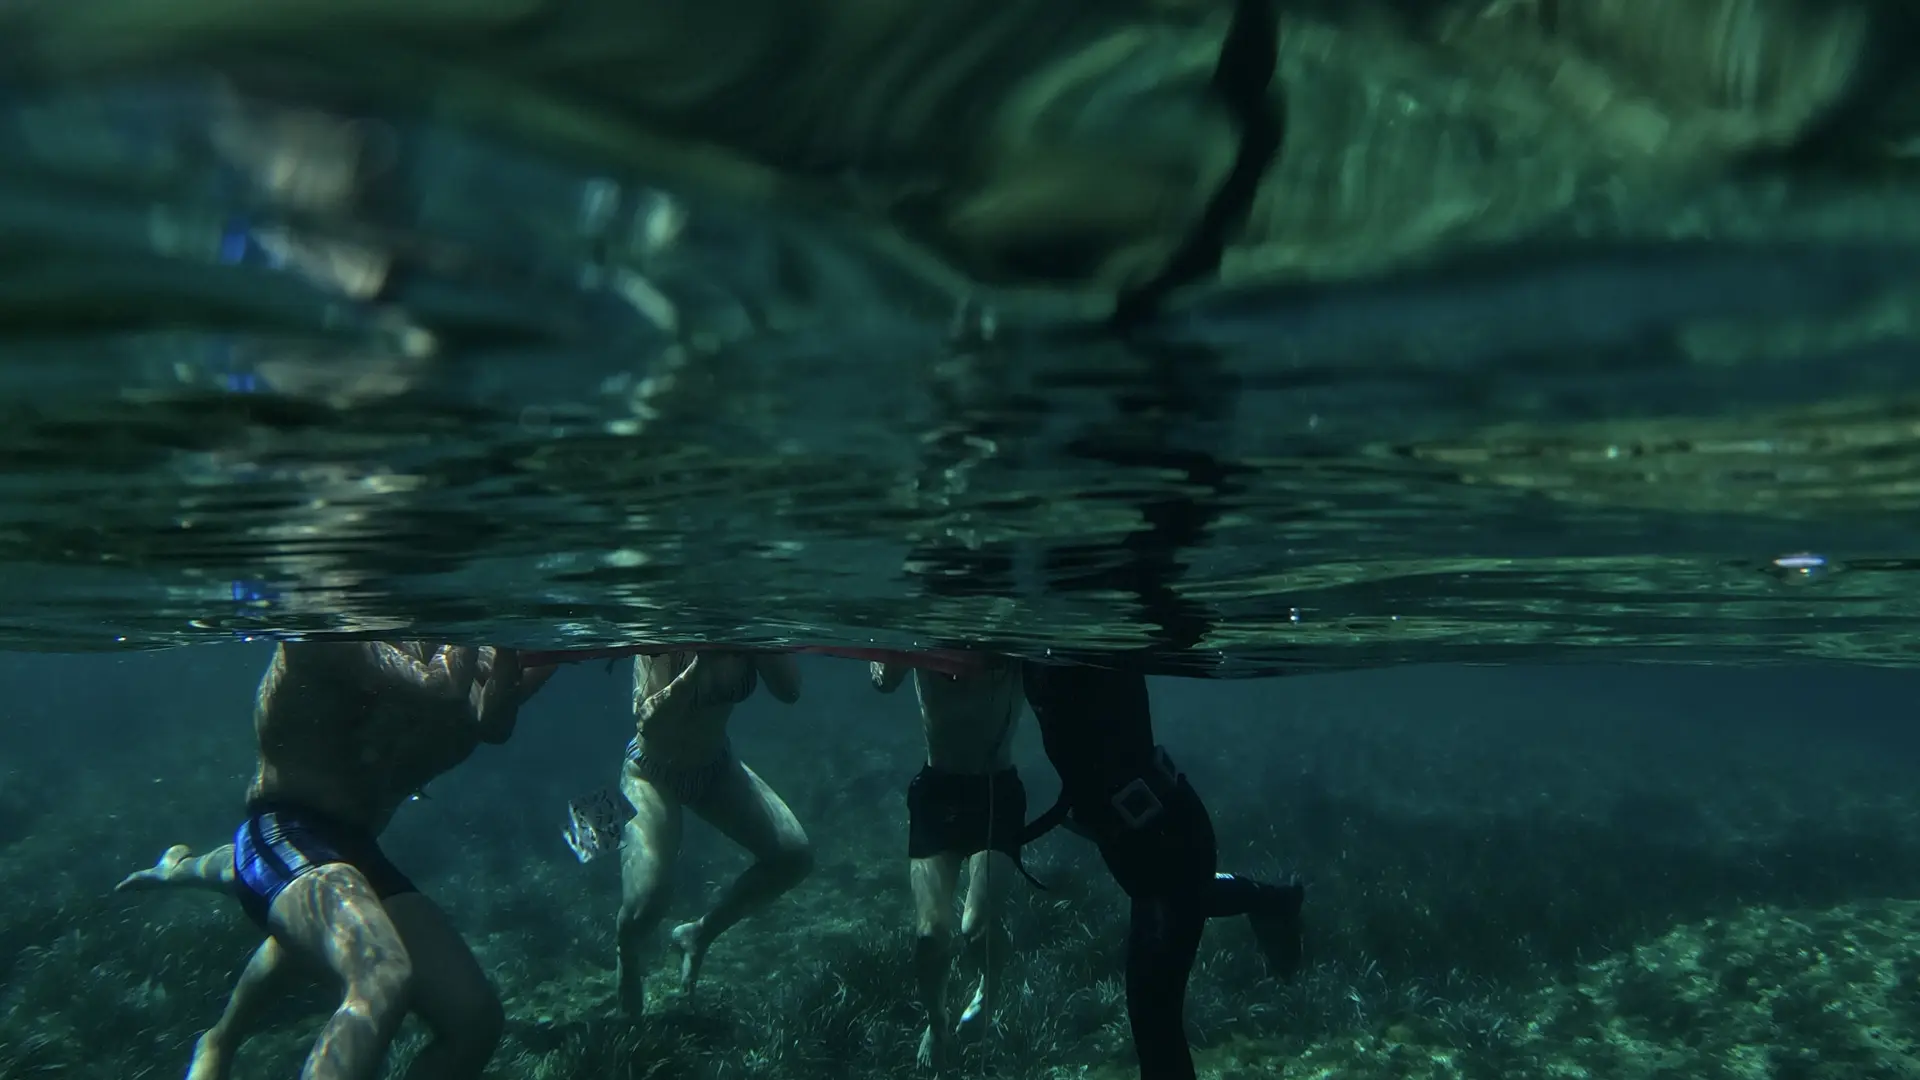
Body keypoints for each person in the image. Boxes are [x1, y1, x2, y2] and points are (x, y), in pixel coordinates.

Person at [115, 643, 553, 1080]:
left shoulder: (474, 662)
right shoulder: (342, 630)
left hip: (355, 850)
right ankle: (219, 1033)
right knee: (378, 971)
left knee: (474, 1020)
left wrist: (528, 655)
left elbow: (498, 709)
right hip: (285, 825)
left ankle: (216, 1016)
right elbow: (437, 687)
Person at [1020, 662, 1303, 1080]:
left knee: (1154, 1022)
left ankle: (1273, 900)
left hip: (1163, 847)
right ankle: (1274, 900)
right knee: (1183, 917)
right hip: (1155, 838)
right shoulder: (1044, 641)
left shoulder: (1088, 636)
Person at [615, 649, 813, 1019]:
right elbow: (649, 724)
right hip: (650, 769)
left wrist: (761, 639)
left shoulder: (741, 619)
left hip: (715, 764)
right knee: (647, 900)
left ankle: (699, 934)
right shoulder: (661, 626)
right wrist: (698, 665)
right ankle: (626, 955)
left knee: (794, 856)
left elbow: (791, 692)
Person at [872, 655, 1028, 1070]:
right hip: (936, 789)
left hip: (997, 789)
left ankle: (989, 988)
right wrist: (895, 651)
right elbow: (882, 683)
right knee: (929, 934)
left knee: (976, 928)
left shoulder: (1008, 627)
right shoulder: (926, 624)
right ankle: (936, 1023)